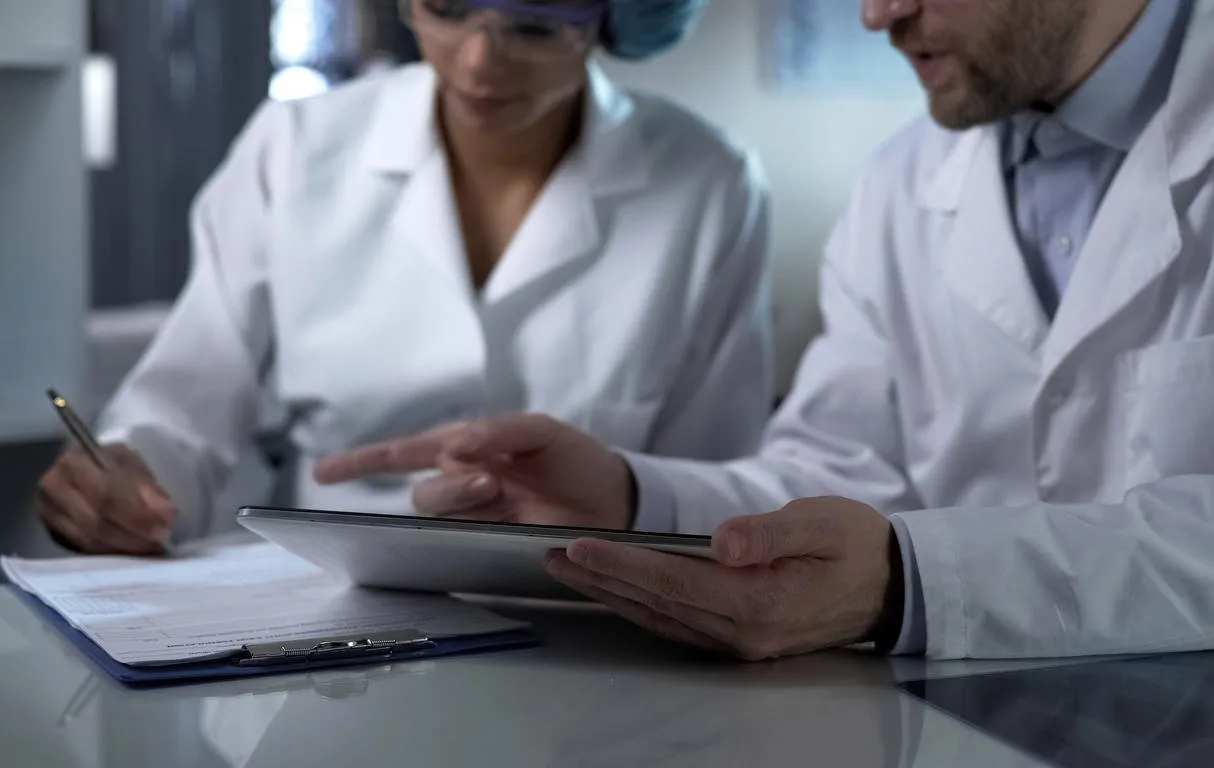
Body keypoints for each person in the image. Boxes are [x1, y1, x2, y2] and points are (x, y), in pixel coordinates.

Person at [318, 0, 1214, 661]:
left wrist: (914, 579)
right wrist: (636, 498)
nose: (877, 14)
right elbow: (838, 466)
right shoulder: (903, 179)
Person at [37, 0, 774, 555]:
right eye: (447, 9)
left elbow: (704, 488)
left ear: (613, 18)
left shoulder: (709, 182)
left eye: (535, 28)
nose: (479, 61)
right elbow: (184, 411)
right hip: (317, 619)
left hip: (590, 614)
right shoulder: (294, 148)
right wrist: (125, 480)